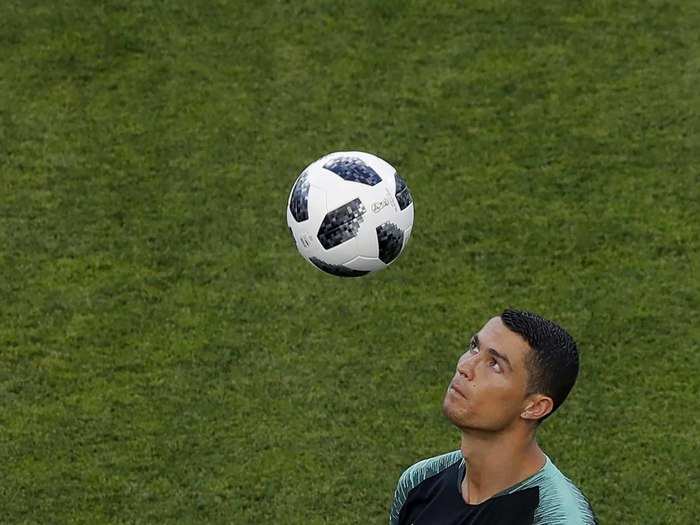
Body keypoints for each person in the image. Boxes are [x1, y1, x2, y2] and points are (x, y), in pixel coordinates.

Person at [389, 308, 597, 524]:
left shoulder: (559, 519)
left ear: (535, 407)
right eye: (474, 348)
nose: (464, 366)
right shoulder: (419, 481)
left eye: (495, 364)